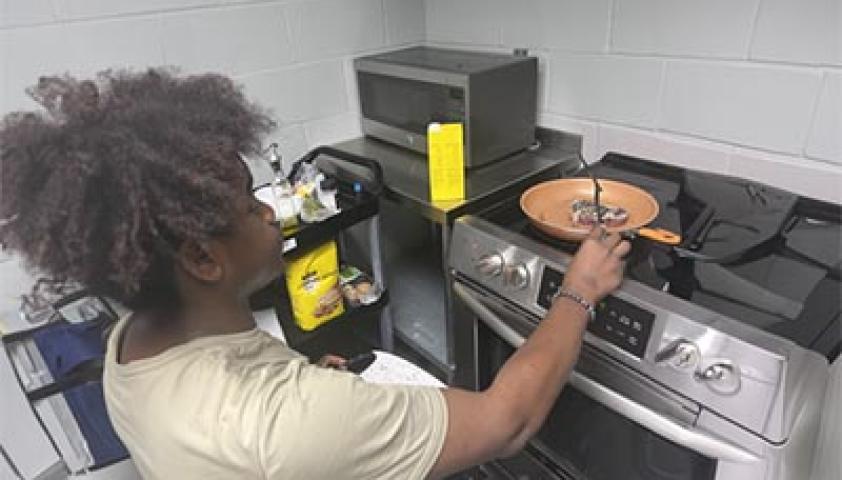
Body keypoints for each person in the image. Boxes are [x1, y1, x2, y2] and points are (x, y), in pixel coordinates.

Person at [0, 69, 630, 479]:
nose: (270, 211)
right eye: (250, 205)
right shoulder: (288, 423)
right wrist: (578, 292)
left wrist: (301, 376)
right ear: (200, 258)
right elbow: (507, 421)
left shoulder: (127, 346)